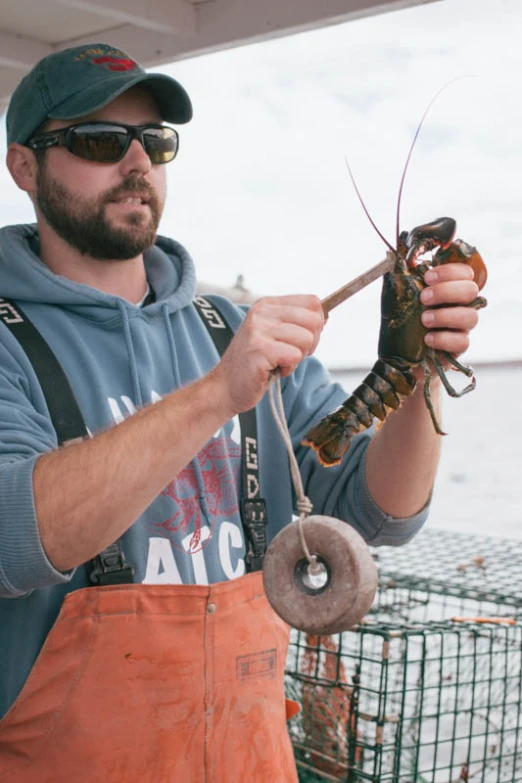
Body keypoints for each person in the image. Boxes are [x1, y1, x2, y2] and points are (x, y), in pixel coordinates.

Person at [0, 43, 482, 782]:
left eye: (155, 142)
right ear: (25, 169)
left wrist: (421, 373)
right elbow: (16, 537)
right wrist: (216, 394)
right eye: (100, 141)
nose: (137, 164)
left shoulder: (230, 327)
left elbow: (381, 512)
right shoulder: (13, 341)